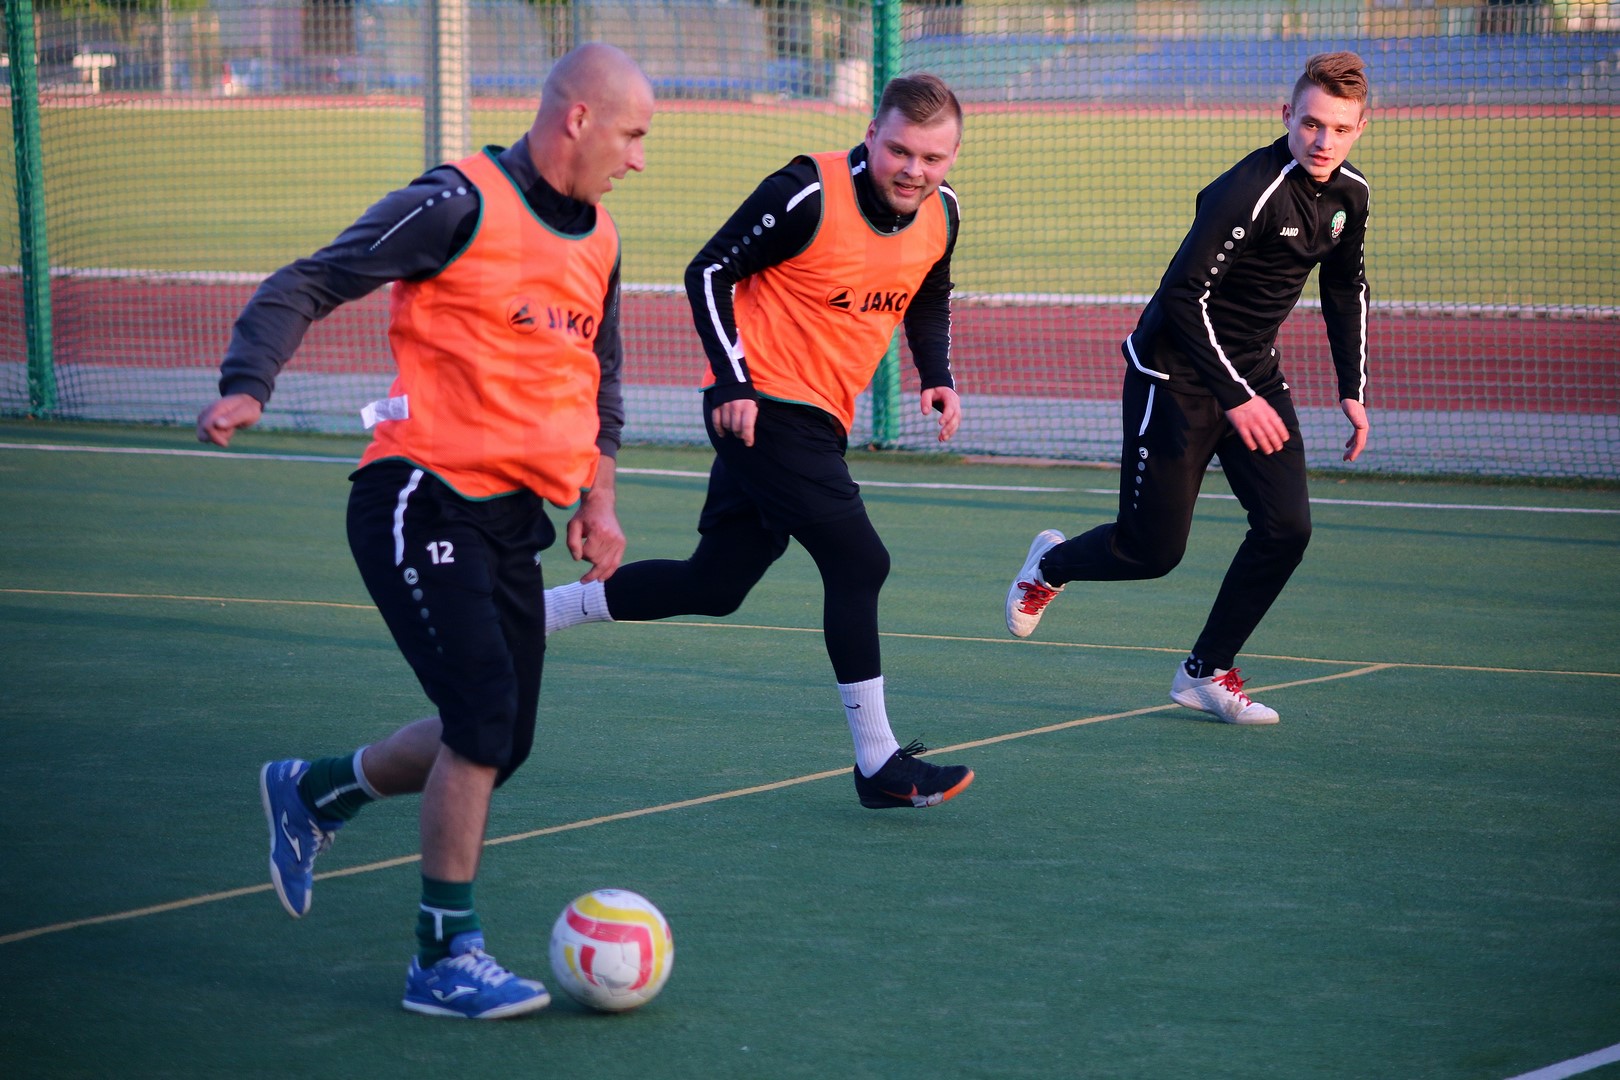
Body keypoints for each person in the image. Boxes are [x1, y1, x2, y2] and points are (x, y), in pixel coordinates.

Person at [195, 43, 654, 1019]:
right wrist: (247, 385)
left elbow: (598, 383)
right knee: (483, 717)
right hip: (417, 496)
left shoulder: (605, 239)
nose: (640, 158)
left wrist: (598, 500)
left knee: (498, 740)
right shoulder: (458, 200)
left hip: (511, 521)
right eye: (633, 134)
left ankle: (320, 789)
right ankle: (443, 955)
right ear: (576, 119)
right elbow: (309, 281)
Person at [544, 74, 975, 809]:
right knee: (859, 558)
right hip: (764, 409)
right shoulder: (807, 191)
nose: (914, 171)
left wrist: (936, 372)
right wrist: (732, 380)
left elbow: (928, 289)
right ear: (871, 134)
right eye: (900, 150)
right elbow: (708, 270)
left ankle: (531, 612)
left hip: (819, 421)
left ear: (952, 158)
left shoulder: (943, 215)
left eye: (933, 159)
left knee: (716, 584)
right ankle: (878, 763)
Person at [1004, 51, 1373, 726]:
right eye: (1313, 124)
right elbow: (1183, 295)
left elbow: (1346, 286)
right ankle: (1049, 565)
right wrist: (1235, 396)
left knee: (1286, 527)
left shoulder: (1352, 194)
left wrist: (1352, 387)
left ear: (1360, 128)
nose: (1325, 142)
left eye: (1341, 129)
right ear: (1286, 115)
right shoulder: (1246, 191)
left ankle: (1206, 672)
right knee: (1152, 552)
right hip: (1172, 376)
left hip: (1250, 375)